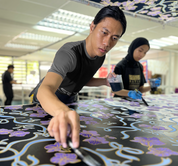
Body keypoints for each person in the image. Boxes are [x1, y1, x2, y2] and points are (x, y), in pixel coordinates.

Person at [29, 5, 127, 148]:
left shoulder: (100, 55)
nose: (107, 43)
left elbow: (80, 79)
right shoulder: (69, 52)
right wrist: (62, 111)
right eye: (104, 32)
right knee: (41, 143)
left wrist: (104, 81)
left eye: (114, 38)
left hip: (69, 100)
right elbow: (46, 88)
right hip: (46, 101)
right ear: (92, 27)